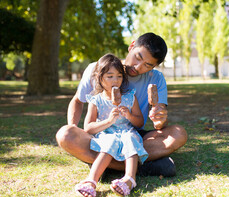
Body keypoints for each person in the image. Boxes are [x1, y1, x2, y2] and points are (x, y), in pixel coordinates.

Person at [56, 32, 187, 177]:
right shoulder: (97, 69)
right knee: (65, 134)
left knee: (178, 134)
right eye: (138, 57)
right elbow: (77, 101)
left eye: (147, 65)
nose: (137, 67)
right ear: (131, 46)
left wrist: (160, 120)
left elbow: (159, 121)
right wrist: (73, 128)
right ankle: (141, 167)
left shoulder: (156, 79)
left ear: (154, 67)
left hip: (132, 134)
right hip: (101, 135)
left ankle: (106, 165)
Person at [75, 53, 146, 197]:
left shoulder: (129, 97)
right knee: (111, 141)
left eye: (119, 76)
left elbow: (140, 122)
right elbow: (88, 127)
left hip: (126, 131)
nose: (116, 80)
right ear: (100, 78)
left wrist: (130, 116)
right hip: (106, 134)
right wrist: (108, 121)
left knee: (129, 137)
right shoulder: (96, 100)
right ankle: (91, 181)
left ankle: (130, 179)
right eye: (110, 76)